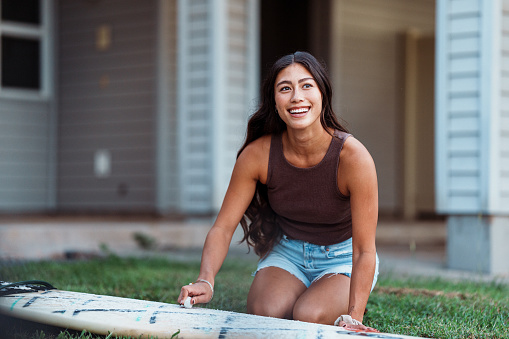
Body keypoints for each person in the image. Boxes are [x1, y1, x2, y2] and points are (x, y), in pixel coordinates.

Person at [178, 51, 379, 332]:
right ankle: (315, 292)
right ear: (274, 101)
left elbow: (364, 250)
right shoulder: (257, 155)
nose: (297, 96)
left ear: (323, 93)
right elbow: (223, 227)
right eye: (285, 88)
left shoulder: (353, 158)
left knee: (308, 314)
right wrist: (205, 279)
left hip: (343, 257)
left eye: (307, 85)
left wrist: (354, 315)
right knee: (266, 312)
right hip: (288, 252)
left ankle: (341, 296)